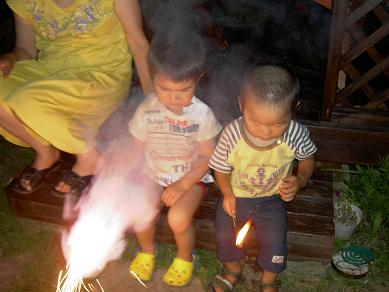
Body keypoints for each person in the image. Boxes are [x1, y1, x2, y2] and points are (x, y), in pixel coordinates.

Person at [0, 0, 153, 197]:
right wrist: (12, 58)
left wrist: (153, 100)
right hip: (49, 71)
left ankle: (88, 158)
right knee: (22, 98)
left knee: (26, 100)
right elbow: (26, 49)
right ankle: (45, 153)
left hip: (101, 75)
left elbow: (139, 44)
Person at [209, 63, 316, 292]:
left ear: (294, 109)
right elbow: (219, 167)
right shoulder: (232, 134)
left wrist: (300, 180)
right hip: (237, 196)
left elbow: (308, 159)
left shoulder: (295, 133)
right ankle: (232, 269)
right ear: (241, 105)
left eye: (278, 124)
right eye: (256, 122)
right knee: (224, 233)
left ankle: (269, 281)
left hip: (272, 199)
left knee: (275, 239)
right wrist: (226, 193)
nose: (266, 131)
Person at [127, 32, 221, 286]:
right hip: (153, 174)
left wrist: (182, 184)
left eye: (183, 90)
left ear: (197, 79)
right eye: (164, 89)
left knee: (177, 218)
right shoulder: (147, 109)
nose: (173, 97)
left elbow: (206, 157)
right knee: (140, 211)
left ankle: (185, 257)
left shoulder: (201, 115)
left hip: (190, 177)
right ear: (152, 78)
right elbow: (136, 146)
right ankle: (146, 251)